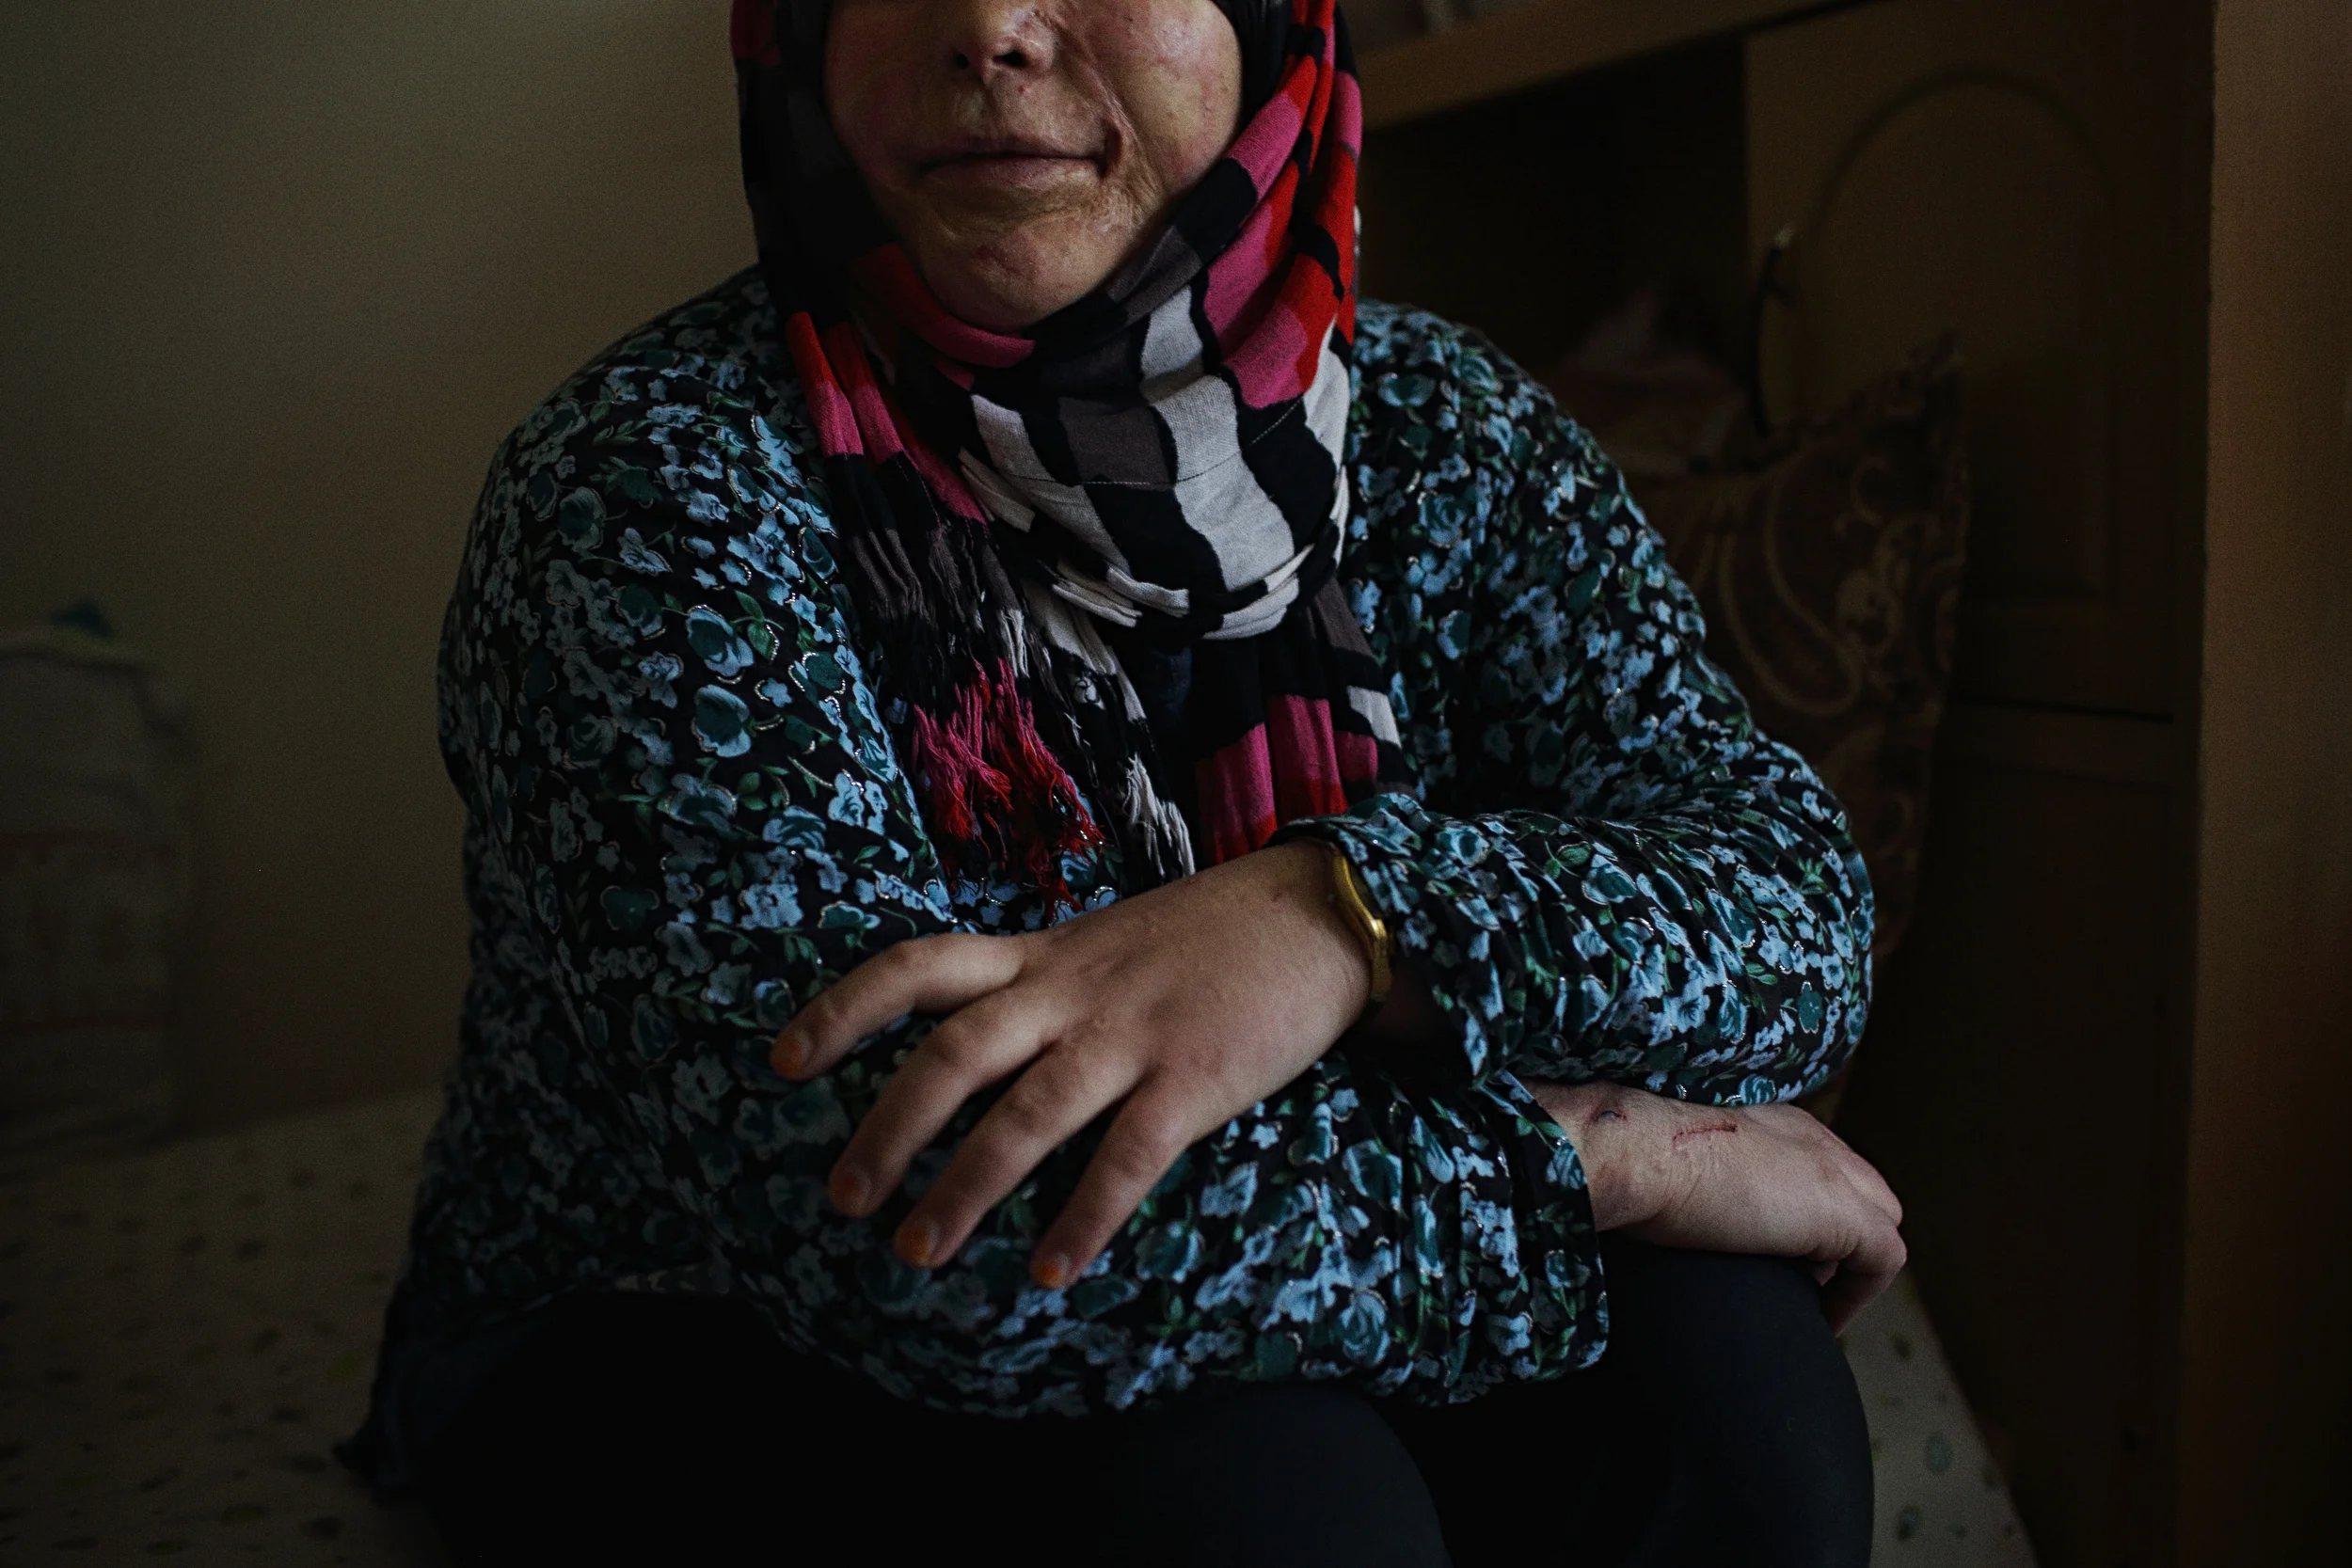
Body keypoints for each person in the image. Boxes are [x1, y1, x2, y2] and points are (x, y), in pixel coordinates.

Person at [342, 0, 1905, 1561]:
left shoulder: (1446, 432)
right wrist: (1591, 1159)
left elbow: (1791, 907)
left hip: (1275, 1207)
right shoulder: (646, 496)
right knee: (1274, 1508)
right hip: (692, 1309)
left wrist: (1337, 917)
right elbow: (916, 1233)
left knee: (1734, 1386)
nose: (988, 26)